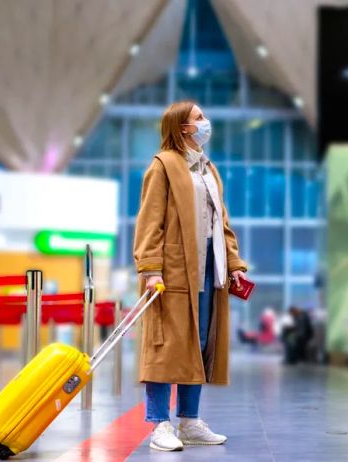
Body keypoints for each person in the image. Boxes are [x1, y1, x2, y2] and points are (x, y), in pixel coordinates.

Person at [133, 100, 248, 452]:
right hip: (171, 273)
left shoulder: (208, 170)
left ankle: (189, 421)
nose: (205, 122)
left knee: (196, 346)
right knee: (166, 347)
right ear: (183, 127)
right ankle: (159, 425)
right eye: (199, 118)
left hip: (207, 271)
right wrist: (150, 269)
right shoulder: (163, 166)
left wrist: (234, 265)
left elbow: (222, 225)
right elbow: (150, 223)